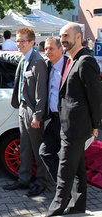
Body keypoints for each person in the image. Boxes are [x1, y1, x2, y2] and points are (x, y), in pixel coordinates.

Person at [46, 23, 102, 216]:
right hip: (67, 124)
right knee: (77, 168)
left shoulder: (86, 61)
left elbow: (95, 97)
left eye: (66, 35)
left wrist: (96, 126)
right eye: (61, 36)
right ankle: (78, 206)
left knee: (65, 169)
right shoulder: (71, 60)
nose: (63, 39)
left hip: (77, 127)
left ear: (78, 36)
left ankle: (56, 208)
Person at [2, 27, 48, 197]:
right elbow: (11, 57)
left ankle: (41, 182)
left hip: (32, 111)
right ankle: (23, 179)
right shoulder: (23, 58)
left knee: (37, 149)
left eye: (22, 40)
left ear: (31, 42)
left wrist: (37, 115)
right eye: (17, 40)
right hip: (22, 108)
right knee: (25, 148)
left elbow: (41, 93)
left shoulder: (38, 62)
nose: (18, 43)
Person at [39, 37, 68, 183]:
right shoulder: (47, 65)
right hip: (54, 118)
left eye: (51, 48)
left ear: (61, 49)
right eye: (46, 49)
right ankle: (63, 188)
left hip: (67, 120)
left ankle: (68, 193)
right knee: (45, 152)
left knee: (68, 158)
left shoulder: (69, 66)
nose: (47, 52)